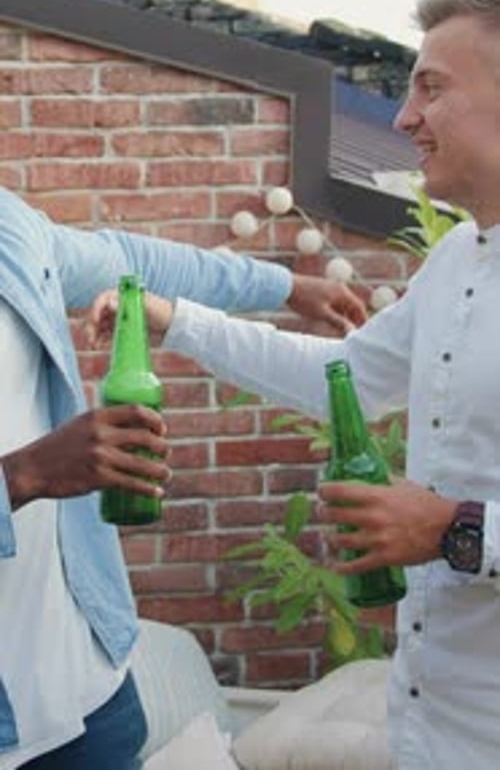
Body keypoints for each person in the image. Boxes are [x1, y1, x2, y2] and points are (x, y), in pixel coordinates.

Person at [89, 0, 500, 770]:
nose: (406, 117)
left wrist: (454, 529)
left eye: (431, 88)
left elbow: (454, 522)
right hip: (430, 730)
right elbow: (341, 374)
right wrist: (179, 320)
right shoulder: (455, 261)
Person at [0, 183, 366, 770]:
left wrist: (290, 287)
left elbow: (133, 262)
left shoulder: (11, 229)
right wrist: (23, 475)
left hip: (91, 698)